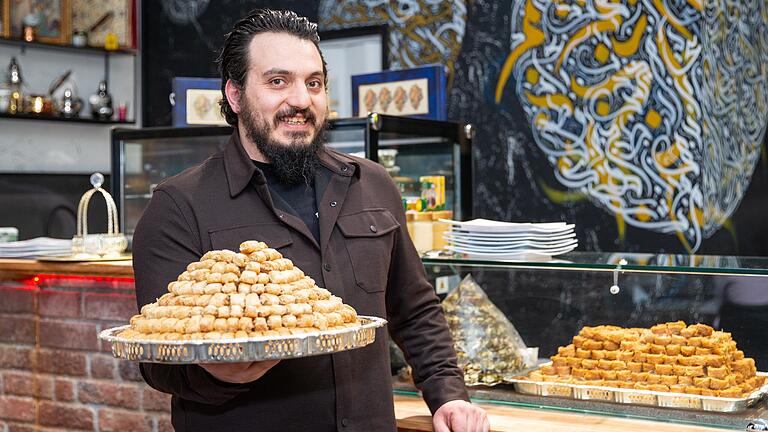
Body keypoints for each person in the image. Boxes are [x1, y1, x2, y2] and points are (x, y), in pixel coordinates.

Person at [132, 8, 489, 432]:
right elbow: (158, 358)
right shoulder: (178, 206)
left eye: (314, 83)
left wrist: (447, 395)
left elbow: (414, 310)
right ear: (234, 94)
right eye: (277, 81)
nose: (301, 100)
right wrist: (217, 373)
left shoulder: (371, 184)